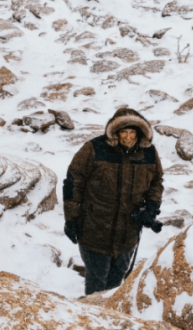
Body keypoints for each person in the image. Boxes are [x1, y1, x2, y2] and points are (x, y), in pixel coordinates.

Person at [63, 106, 163, 295]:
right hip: (95, 230)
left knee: (116, 282)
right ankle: (92, 318)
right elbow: (73, 182)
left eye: (132, 132)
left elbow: (156, 182)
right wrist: (72, 218)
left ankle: (110, 319)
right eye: (123, 132)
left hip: (128, 234)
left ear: (139, 133)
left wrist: (152, 207)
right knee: (96, 283)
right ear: (115, 132)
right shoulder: (94, 148)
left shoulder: (148, 153)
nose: (127, 137)